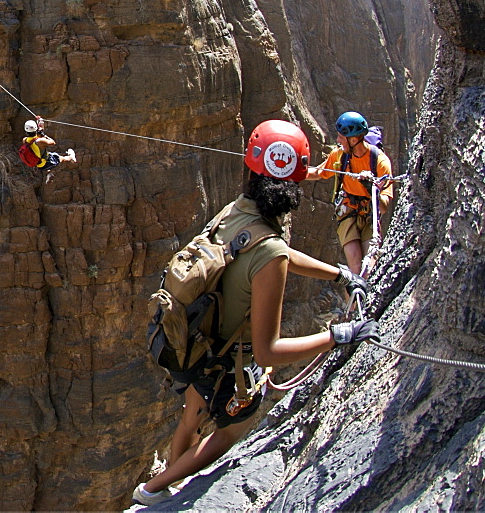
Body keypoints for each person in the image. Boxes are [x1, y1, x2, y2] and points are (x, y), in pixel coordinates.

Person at [133, 120, 379, 507]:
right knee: (233, 430)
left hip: (192, 339)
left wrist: (338, 274)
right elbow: (268, 353)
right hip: (224, 359)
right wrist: (340, 335)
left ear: (251, 169)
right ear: (296, 184)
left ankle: (162, 480)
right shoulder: (270, 253)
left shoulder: (237, 212)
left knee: (191, 415)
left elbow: (275, 252)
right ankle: (152, 490)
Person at [305, 111, 394, 275]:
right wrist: (290, 171)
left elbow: (383, 208)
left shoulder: (380, 162)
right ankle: (353, 299)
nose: (338, 141)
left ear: (353, 139)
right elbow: (317, 172)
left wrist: (370, 188)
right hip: (348, 212)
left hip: (369, 216)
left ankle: (363, 299)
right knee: (356, 268)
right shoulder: (340, 156)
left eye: (341, 137)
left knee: (369, 270)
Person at [22, 118, 76, 182]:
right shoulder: (40, 141)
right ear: (35, 129)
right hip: (46, 162)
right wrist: (44, 135)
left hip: (38, 164)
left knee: (45, 158)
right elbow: (52, 142)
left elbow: (34, 139)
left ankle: (49, 174)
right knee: (62, 158)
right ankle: (71, 157)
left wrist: (40, 126)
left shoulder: (25, 140)